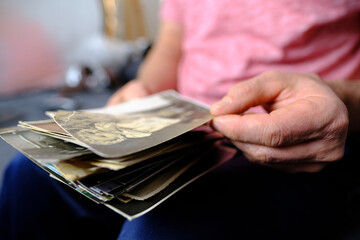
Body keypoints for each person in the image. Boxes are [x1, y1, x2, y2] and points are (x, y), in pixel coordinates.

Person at [1, 0, 360, 239]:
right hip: (186, 133)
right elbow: (171, 45)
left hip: (304, 150)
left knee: (156, 229)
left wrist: (341, 100)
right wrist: (145, 87)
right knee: (27, 175)